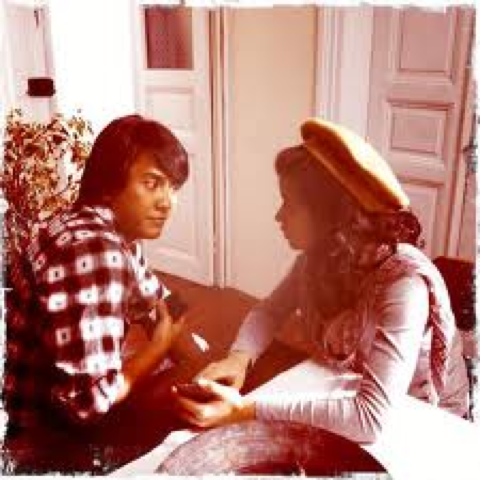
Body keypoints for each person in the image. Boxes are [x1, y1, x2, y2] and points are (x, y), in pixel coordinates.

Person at [174, 117, 469, 444]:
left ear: (332, 214)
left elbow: (370, 420)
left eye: (290, 203)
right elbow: (269, 312)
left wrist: (245, 410)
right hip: (362, 394)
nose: (278, 216)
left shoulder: (404, 286)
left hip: (429, 421)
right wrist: (239, 358)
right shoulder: (323, 258)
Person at [3, 114, 193, 472]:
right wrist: (158, 348)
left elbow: (161, 301)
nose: (167, 203)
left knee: (190, 383)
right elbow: (88, 403)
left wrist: (201, 359)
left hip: (37, 409)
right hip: (36, 439)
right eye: (152, 183)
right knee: (184, 427)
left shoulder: (100, 227)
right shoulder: (95, 251)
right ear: (109, 185)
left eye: (172, 187)